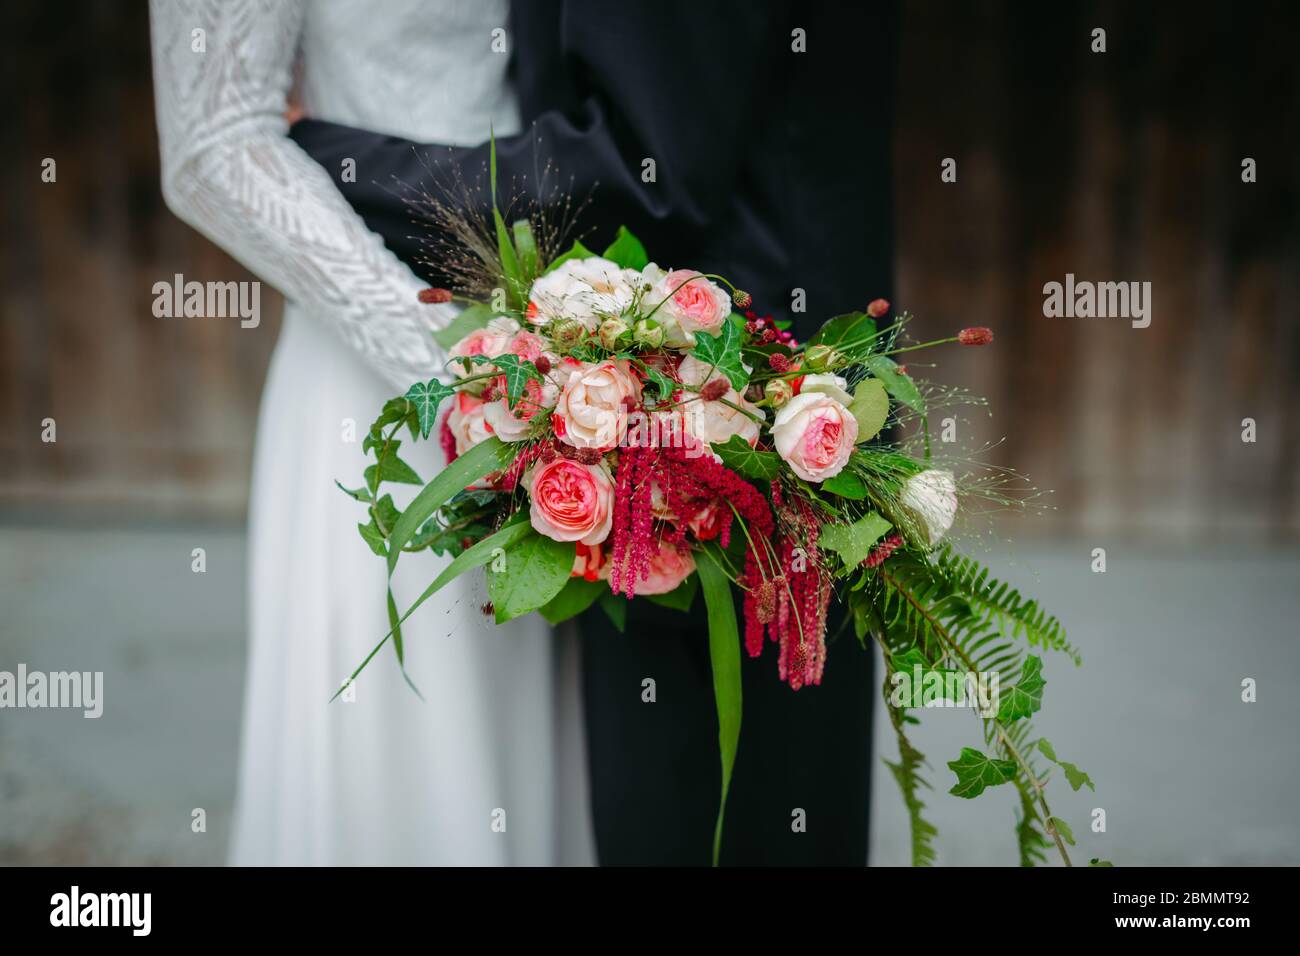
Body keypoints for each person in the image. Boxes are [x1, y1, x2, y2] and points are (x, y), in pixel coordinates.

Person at [290, 0, 898, 864]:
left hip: (726, 417)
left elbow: (644, 168)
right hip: (767, 370)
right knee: (776, 796)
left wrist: (328, 157)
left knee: (716, 810)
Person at [149, 0, 594, 865]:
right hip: (382, 369)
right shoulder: (445, 371)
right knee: (414, 729)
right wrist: (451, 369)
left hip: (553, 349)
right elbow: (214, 144)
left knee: (525, 745)